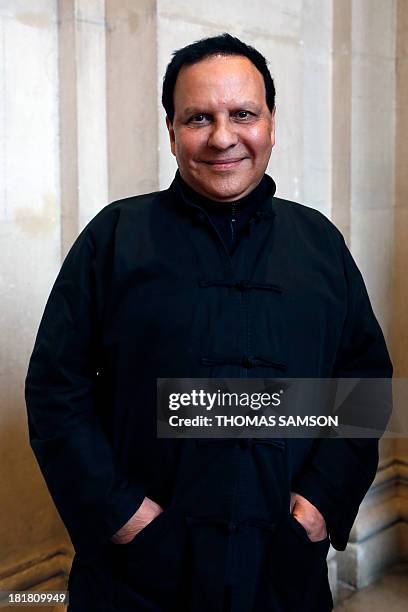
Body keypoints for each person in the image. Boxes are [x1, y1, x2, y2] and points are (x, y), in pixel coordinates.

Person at [25, 33, 393, 612]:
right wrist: (125, 517)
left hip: (282, 568)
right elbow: (54, 389)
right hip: (138, 574)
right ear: (171, 131)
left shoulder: (320, 243)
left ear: (271, 124)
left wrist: (318, 503)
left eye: (243, 114)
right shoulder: (113, 238)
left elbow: (364, 385)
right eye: (199, 117)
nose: (223, 137)